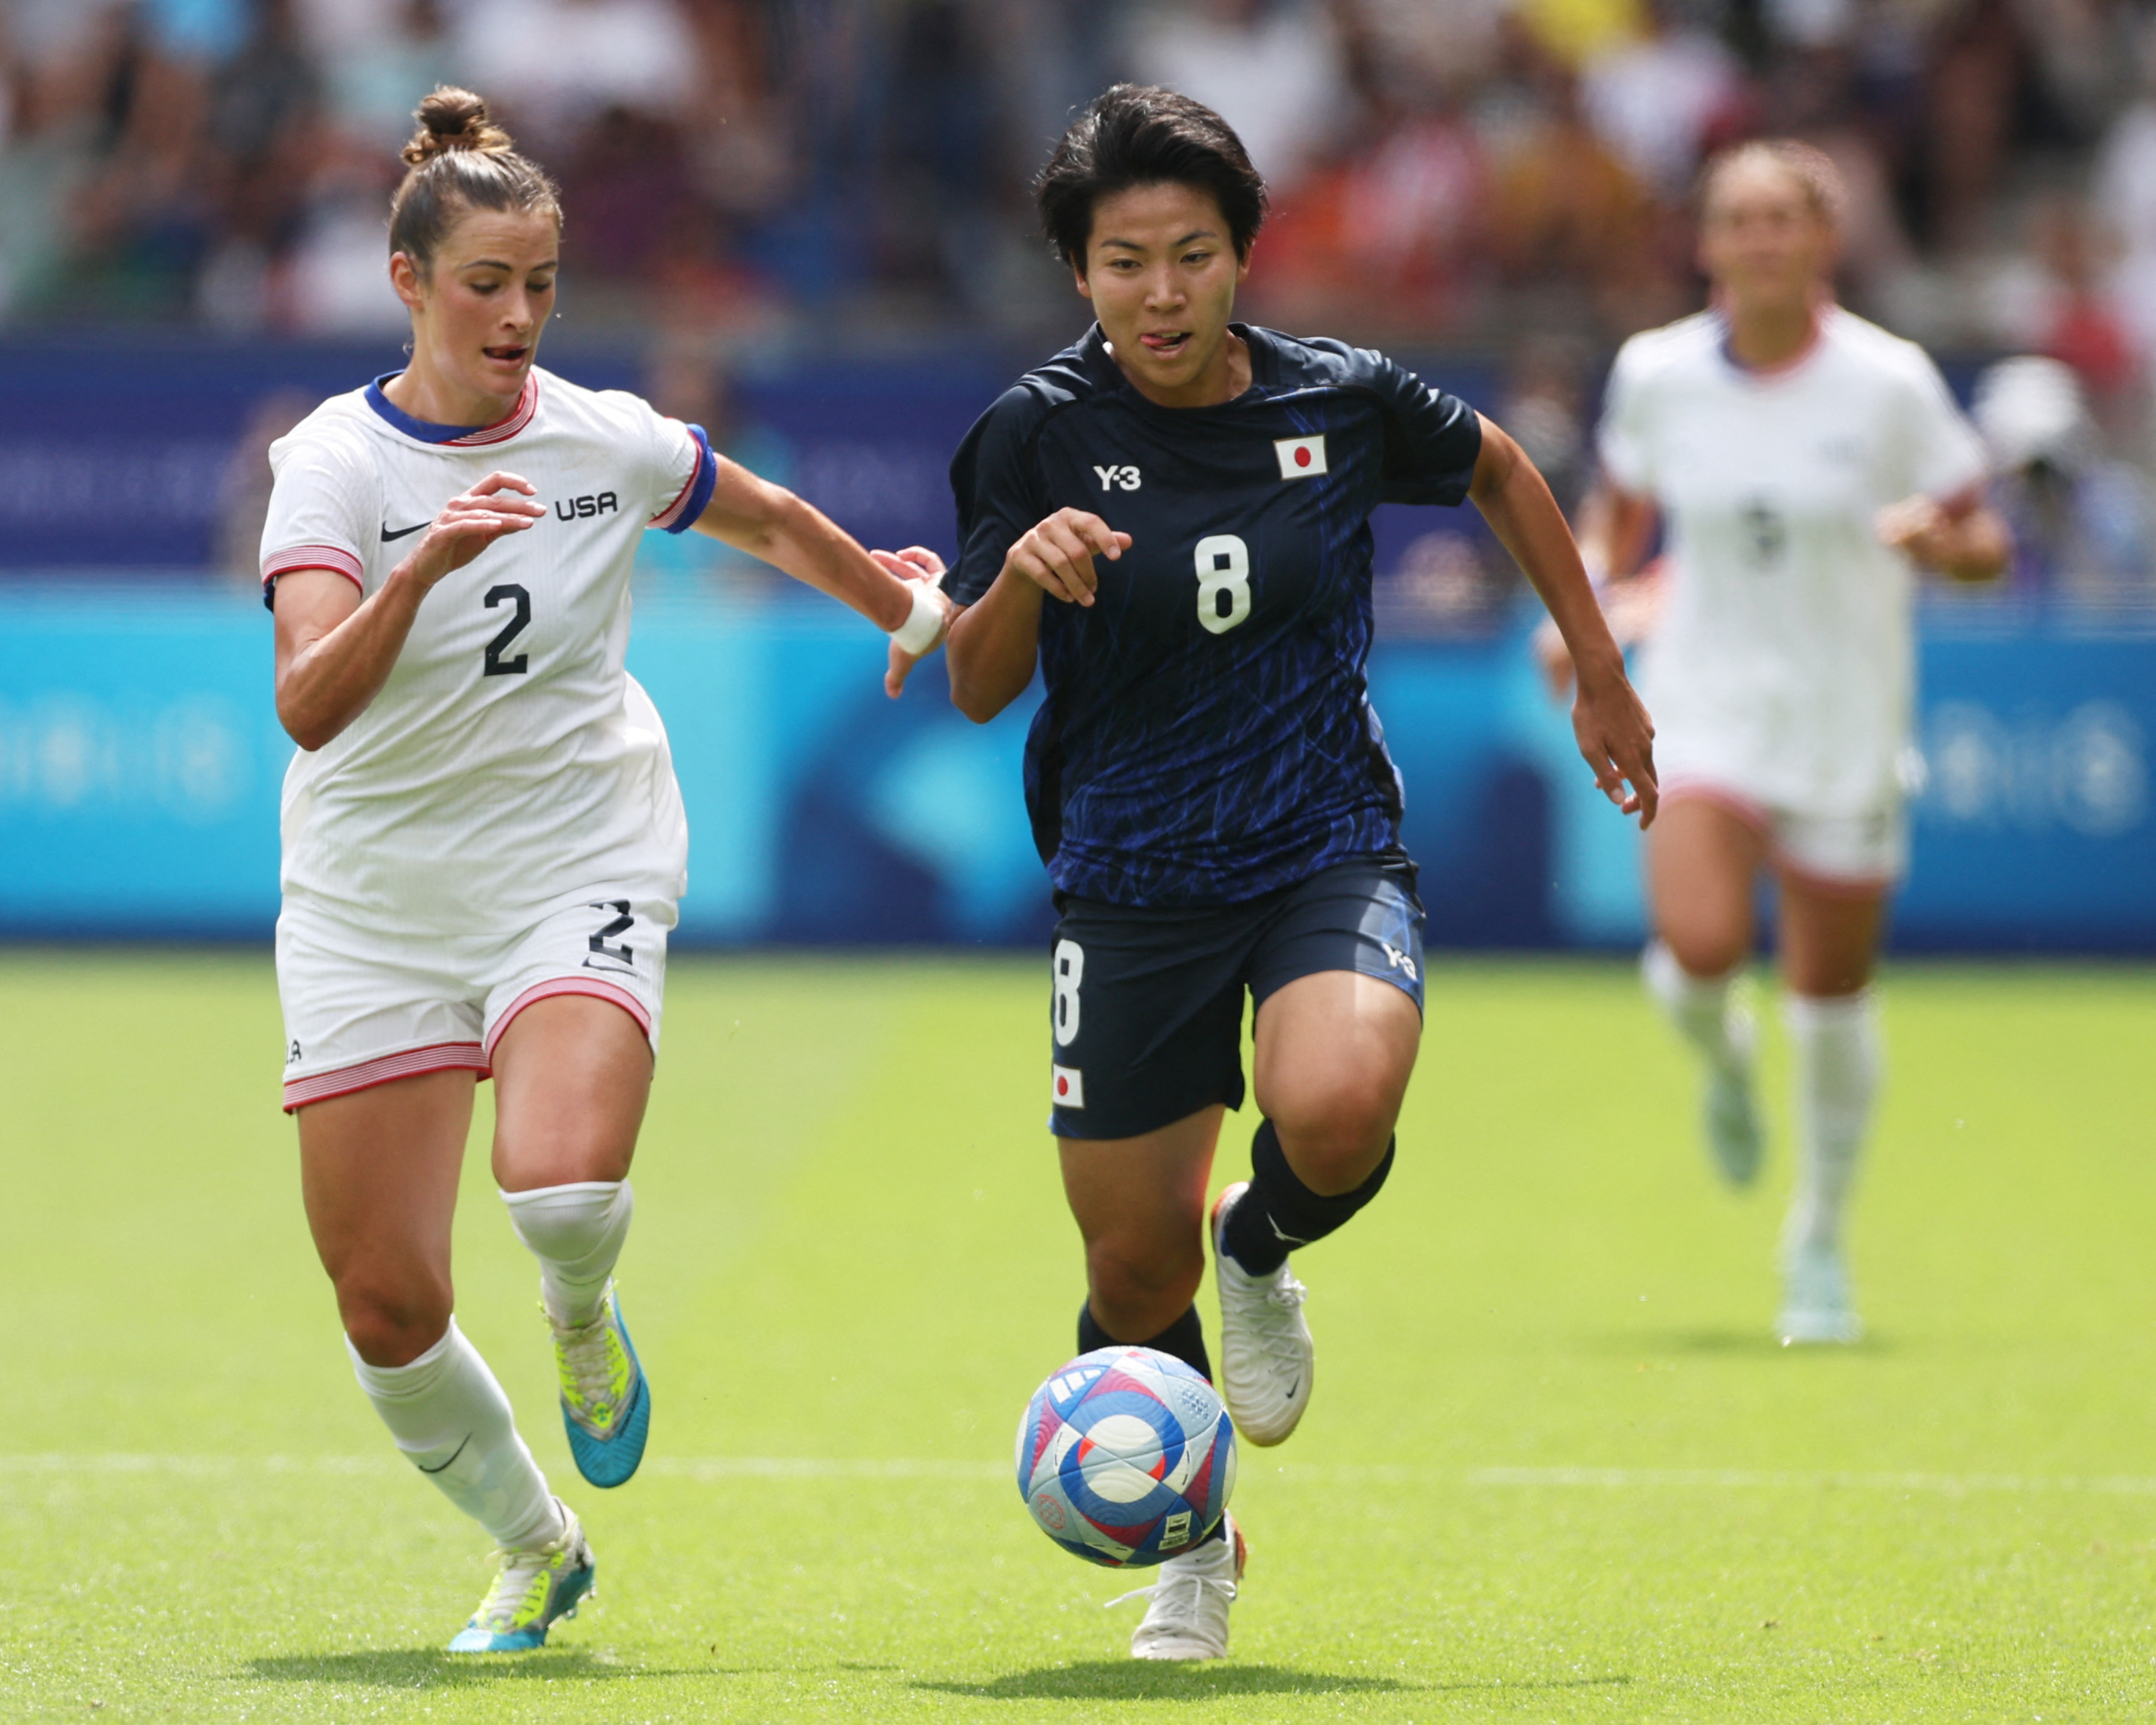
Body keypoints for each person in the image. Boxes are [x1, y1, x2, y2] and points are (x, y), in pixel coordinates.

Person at [880, 84, 1655, 1662]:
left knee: (1339, 1104)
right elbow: (970, 684)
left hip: (1318, 837)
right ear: (1077, 275)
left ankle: (1264, 1239)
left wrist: (1593, 661)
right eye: (1120, 263)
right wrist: (1020, 580)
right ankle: (1192, 1546)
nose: (1157, 293)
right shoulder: (1034, 433)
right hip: (1129, 870)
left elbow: (1502, 468)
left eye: (1187, 255)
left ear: (1241, 254)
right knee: (1122, 1256)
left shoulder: (1338, 397)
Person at [261, 89, 944, 1655]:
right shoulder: (331, 468)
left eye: (541, 284)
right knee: (384, 1303)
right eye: (485, 283)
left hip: (574, 843)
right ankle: (535, 1546)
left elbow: (760, 513)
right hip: (373, 896)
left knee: (560, 1184)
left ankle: (581, 1318)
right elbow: (307, 701)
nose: (516, 314)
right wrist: (423, 561)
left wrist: (895, 610)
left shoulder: (602, 435)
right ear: (408, 281)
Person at [1567, 140, 2008, 1345]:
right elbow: (1616, 523)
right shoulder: (1654, 373)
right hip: (1702, 699)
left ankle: (1816, 1240)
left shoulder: (1889, 382)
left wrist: (1937, 542)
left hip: (1846, 717)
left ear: (1822, 239)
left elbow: (1985, 545)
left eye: (1783, 219)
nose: (1761, 239)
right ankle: (1719, 1062)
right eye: (1737, 219)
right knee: (1698, 947)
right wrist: (1593, 615)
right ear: (1705, 243)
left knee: (1827, 1000)